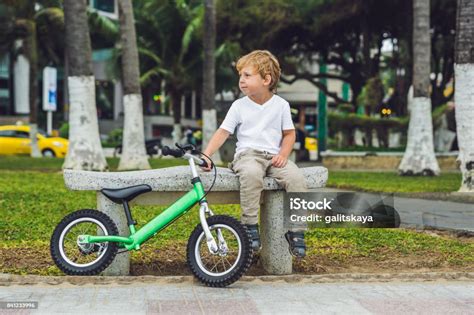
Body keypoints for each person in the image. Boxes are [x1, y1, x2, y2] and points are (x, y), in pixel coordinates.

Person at [200, 50, 308, 258]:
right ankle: (249, 227)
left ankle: (296, 231)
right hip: (248, 156)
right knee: (251, 175)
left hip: (274, 157)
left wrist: (284, 154)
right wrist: (207, 155)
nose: (241, 80)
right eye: (240, 75)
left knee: (296, 179)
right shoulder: (239, 106)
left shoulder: (281, 105)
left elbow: (289, 135)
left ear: (266, 79)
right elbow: (223, 132)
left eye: (247, 75)